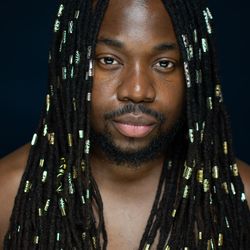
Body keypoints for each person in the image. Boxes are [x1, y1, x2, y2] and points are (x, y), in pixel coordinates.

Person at [0, 0, 250, 249]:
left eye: (164, 63)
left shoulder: (241, 198)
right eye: (108, 60)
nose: (138, 90)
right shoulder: (7, 192)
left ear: (196, 75)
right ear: (70, 64)